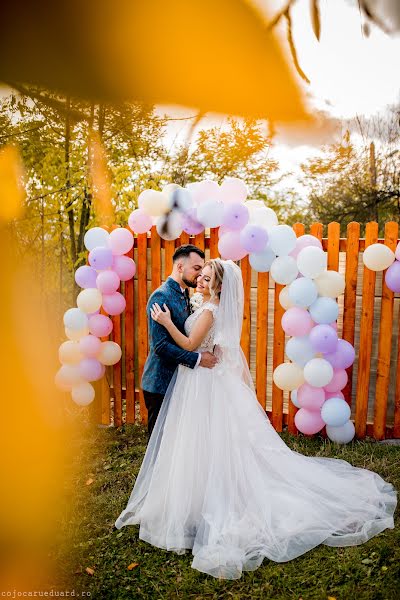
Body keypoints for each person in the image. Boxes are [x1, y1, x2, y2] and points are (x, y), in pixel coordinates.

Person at [115, 258, 397, 580]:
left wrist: (166, 323)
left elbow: (192, 344)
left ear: (219, 286)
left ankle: (209, 500)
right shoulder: (207, 305)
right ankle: (193, 498)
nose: (202, 283)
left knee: (207, 439)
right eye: (202, 277)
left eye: (207, 279)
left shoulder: (210, 311)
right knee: (199, 442)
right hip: (199, 381)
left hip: (203, 383)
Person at [141, 244, 218, 438]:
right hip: (160, 382)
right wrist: (198, 359)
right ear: (180, 267)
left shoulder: (186, 294)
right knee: (158, 444)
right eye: (196, 269)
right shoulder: (161, 296)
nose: (200, 276)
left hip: (180, 379)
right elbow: (160, 346)